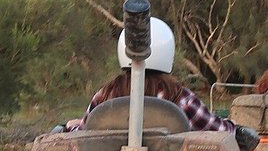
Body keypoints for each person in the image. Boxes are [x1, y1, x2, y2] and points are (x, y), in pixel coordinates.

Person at [66, 18, 239, 134]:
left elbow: (83, 137)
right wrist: (234, 127)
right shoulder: (182, 99)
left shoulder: (104, 96)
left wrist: (72, 127)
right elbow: (221, 133)